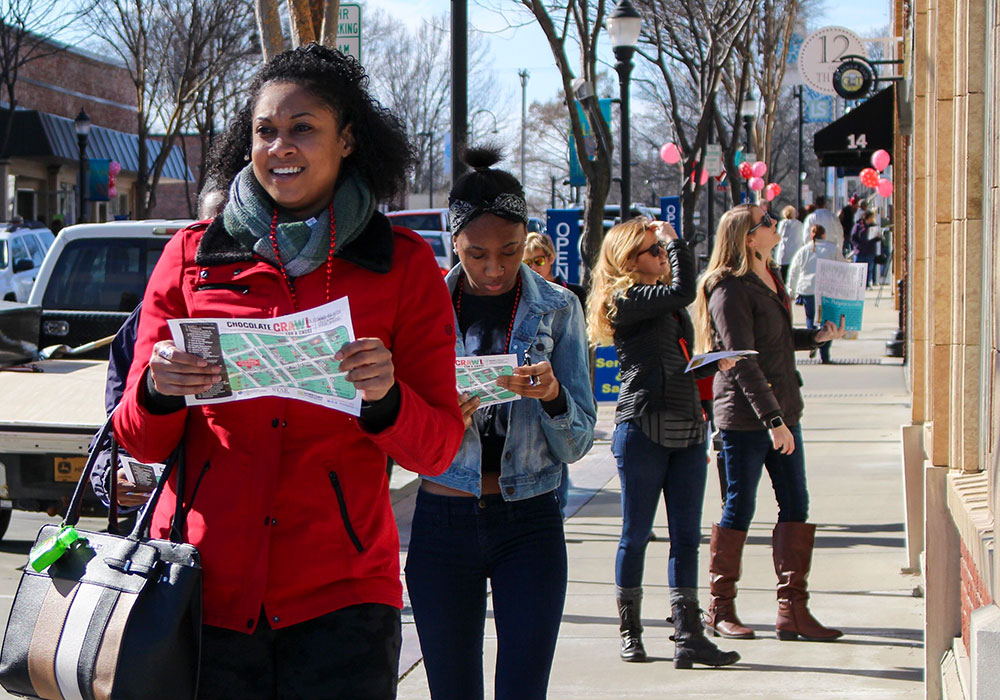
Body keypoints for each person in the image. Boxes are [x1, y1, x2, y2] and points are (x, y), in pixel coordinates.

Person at [111, 44, 465, 699]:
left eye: (303, 128)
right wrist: (160, 391)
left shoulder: (405, 266)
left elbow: (440, 446)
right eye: (265, 130)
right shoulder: (191, 255)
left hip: (344, 601)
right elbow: (136, 437)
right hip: (200, 592)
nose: (281, 147)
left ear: (349, 138)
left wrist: (386, 398)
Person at [404, 146, 596, 700]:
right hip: (443, 519)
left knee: (523, 688)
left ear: (527, 239)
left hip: (530, 519)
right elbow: (394, 438)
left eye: (510, 252)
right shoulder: (423, 309)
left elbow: (579, 439)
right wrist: (437, 420)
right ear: (453, 242)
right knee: (452, 690)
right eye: (476, 253)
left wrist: (554, 396)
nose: (494, 268)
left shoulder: (558, 309)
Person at [586, 217, 740, 669]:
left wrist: (711, 365)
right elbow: (683, 291)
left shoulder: (665, 307)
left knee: (687, 537)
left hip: (687, 426)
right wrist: (677, 242)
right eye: (653, 251)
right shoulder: (627, 298)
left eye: (661, 250)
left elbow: (672, 362)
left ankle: (689, 635)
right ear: (629, 258)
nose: (661, 256)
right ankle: (630, 632)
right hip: (643, 428)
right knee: (635, 535)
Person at [694, 204, 847, 643]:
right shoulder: (728, 288)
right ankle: (720, 608)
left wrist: (814, 338)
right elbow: (740, 360)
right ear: (747, 237)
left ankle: (793, 610)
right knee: (739, 506)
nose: (773, 226)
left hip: (783, 411)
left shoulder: (771, 276)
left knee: (796, 504)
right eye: (765, 223)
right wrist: (773, 421)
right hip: (746, 418)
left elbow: (773, 344)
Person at [522, 230, 586, 516]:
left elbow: (577, 361)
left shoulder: (569, 298)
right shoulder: (516, 299)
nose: (535, 267)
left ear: (551, 259)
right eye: (528, 261)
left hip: (559, 399)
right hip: (526, 412)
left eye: (540, 259)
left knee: (560, 453)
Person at [786, 224, 844, 364]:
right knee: (827, 322)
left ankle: (812, 340)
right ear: (824, 235)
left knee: (810, 317)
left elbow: (794, 271)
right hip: (827, 290)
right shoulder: (832, 249)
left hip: (808, 289)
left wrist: (791, 291)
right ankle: (825, 354)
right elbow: (843, 267)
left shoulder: (804, 251)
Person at [850, 209, 880, 288]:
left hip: (869, 251)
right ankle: (857, 285)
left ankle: (866, 284)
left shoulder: (873, 226)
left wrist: (878, 237)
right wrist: (857, 246)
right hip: (860, 251)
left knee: (868, 269)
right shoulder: (858, 226)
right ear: (866, 218)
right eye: (870, 218)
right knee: (858, 269)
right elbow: (853, 238)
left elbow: (875, 239)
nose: (871, 220)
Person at [774, 205, 803, 283]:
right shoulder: (799, 224)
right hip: (795, 254)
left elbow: (778, 237)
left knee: (783, 279)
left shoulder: (781, 224)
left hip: (783, 255)